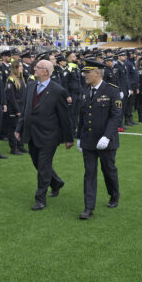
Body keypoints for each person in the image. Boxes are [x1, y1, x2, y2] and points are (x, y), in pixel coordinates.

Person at [15, 59, 74, 210]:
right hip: (31, 134)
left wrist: (68, 138)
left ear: (46, 72)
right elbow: (25, 109)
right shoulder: (31, 85)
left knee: (43, 166)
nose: (34, 69)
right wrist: (18, 128)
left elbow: (64, 117)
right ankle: (56, 182)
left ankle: (40, 199)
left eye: (38, 67)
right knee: (38, 163)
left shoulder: (58, 90)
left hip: (49, 136)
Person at [76, 59, 122, 220]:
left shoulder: (111, 91)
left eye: (87, 72)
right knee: (89, 173)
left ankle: (114, 194)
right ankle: (88, 208)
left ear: (96, 73)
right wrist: (79, 137)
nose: (84, 75)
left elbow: (116, 117)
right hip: (88, 139)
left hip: (106, 140)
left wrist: (107, 136)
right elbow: (82, 115)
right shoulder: (85, 90)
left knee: (108, 170)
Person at [5, 59, 27, 156]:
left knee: (21, 127)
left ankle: (20, 145)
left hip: (22, 106)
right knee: (13, 128)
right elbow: (11, 97)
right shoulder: (11, 80)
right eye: (20, 66)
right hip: (14, 108)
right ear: (16, 68)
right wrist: (17, 110)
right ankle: (13, 148)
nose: (22, 68)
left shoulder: (21, 79)